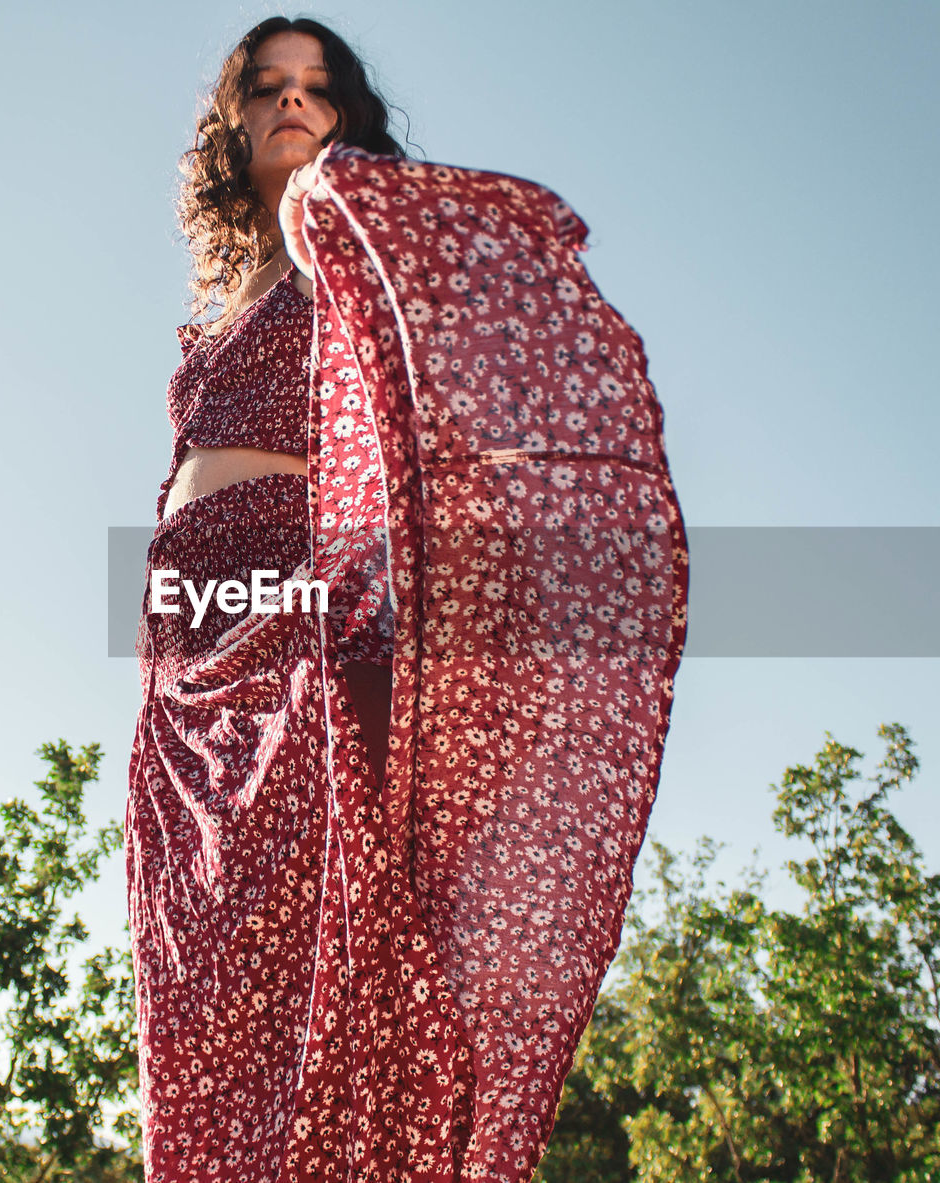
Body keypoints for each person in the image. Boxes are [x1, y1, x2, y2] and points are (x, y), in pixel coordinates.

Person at [126, 16, 689, 1183]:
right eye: (267, 86)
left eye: (316, 88)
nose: (291, 102)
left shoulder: (350, 236)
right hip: (185, 643)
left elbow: (440, 376)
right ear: (228, 120)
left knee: (326, 923)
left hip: (297, 601)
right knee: (198, 955)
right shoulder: (228, 294)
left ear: (346, 116)